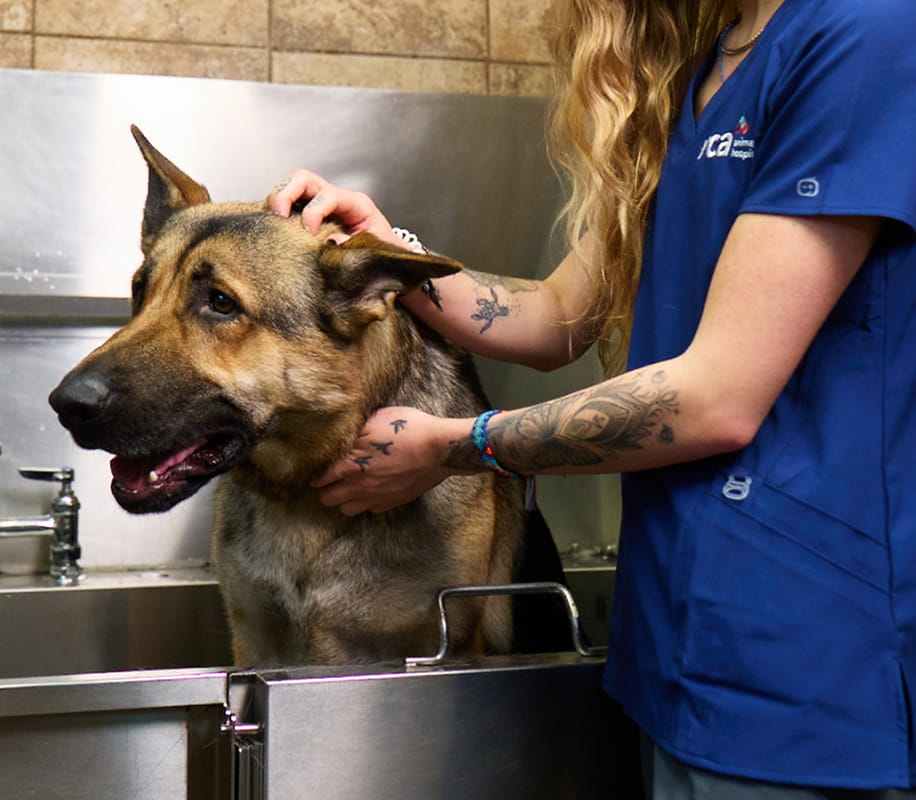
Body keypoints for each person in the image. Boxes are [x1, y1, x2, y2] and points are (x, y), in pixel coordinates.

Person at [268, 0, 916, 796]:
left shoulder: (864, 31)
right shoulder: (702, 74)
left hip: (812, 652)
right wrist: (387, 249)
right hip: (679, 635)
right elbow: (550, 315)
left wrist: (455, 445)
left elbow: (715, 397)